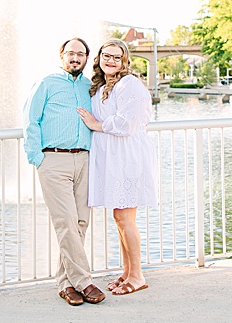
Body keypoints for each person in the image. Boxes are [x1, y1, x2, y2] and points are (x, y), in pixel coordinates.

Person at [23, 37, 106, 307]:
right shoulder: (46, 83)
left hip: (84, 160)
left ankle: (65, 283)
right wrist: (38, 158)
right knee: (66, 222)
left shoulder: (90, 87)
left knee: (80, 222)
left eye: (80, 54)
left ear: (86, 58)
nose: (75, 58)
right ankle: (84, 282)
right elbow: (30, 121)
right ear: (62, 55)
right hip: (53, 161)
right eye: (70, 53)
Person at [77, 38, 157, 296]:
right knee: (119, 217)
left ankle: (138, 276)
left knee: (125, 217)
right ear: (99, 59)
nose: (111, 61)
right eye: (106, 56)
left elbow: (127, 124)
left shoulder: (129, 84)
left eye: (116, 57)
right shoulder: (100, 86)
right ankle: (127, 271)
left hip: (127, 157)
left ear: (124, 61)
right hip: (112, 157)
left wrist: (95, 124)